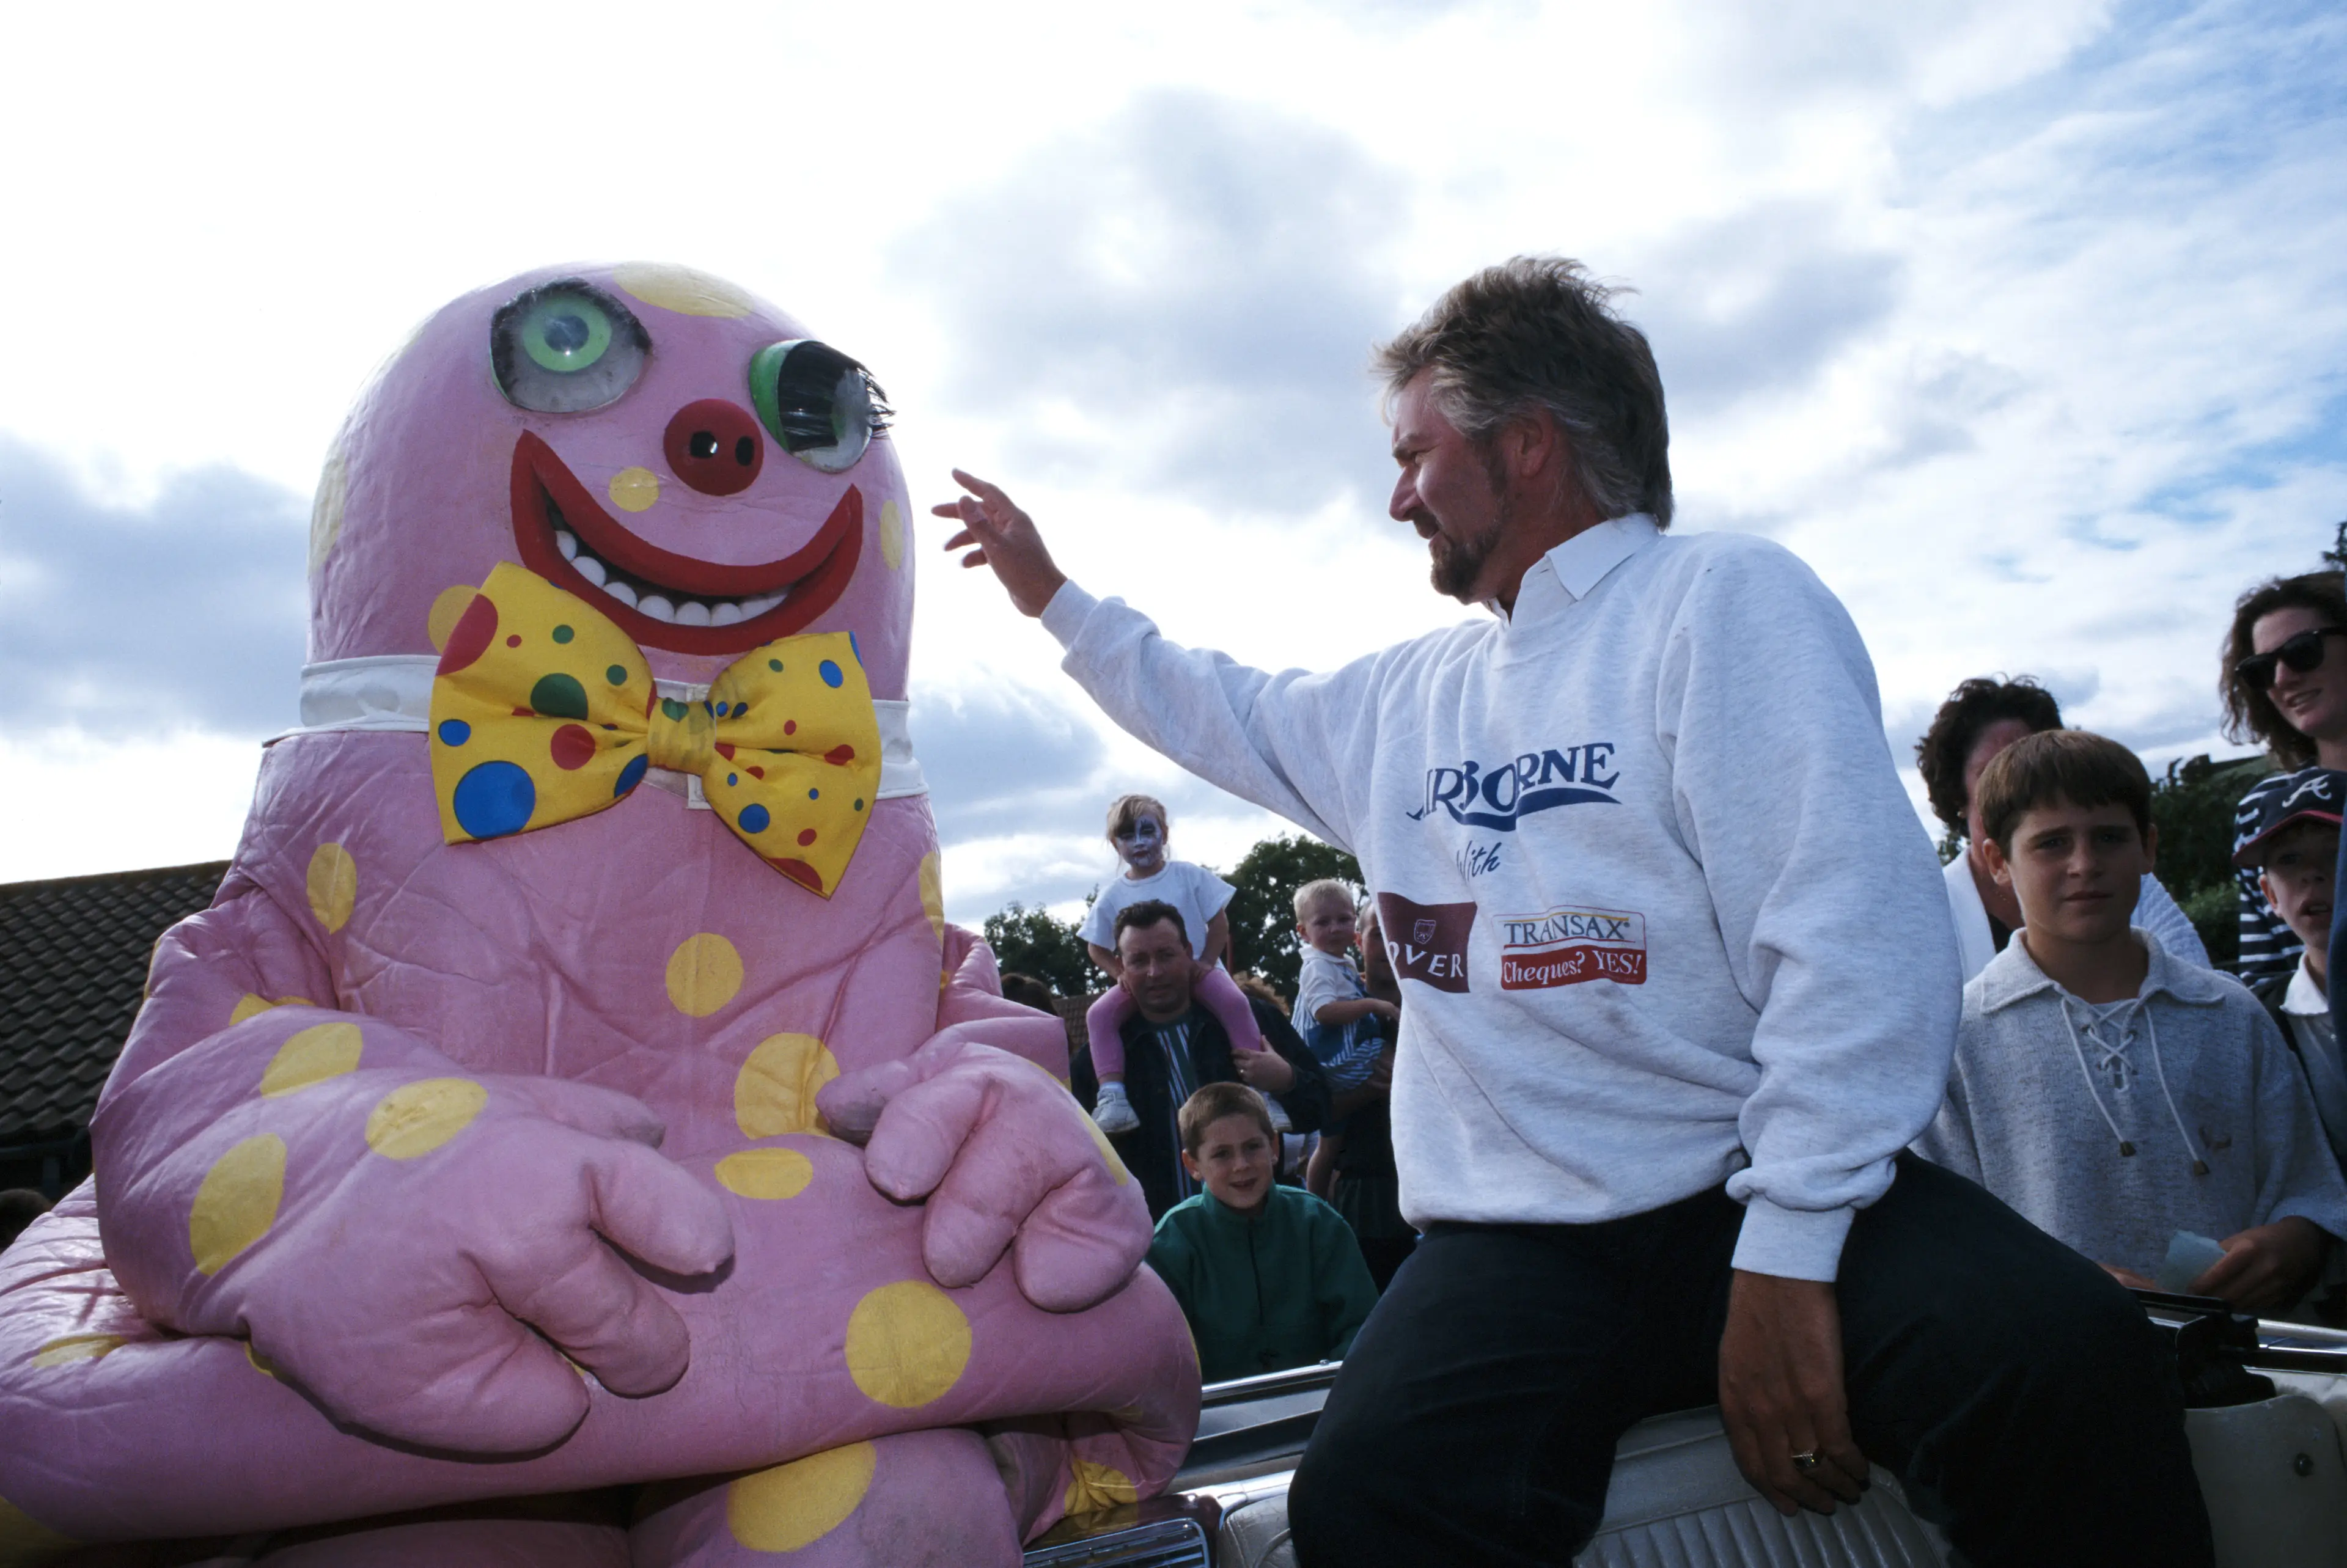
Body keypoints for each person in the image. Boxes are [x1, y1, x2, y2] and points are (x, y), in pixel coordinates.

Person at [939, 255, 2213, 1564]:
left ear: (1529, 445)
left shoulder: (1724, 601)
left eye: (1416, 455)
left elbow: (1856, 944)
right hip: (1514, 1241)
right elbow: (1222, 704)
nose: (1397, 496)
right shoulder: (1403, 699)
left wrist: (1787, 1255)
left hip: (1764, 1184)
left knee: (2073, 1366)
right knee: (1365, 1499)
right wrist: (1053, 598)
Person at [1916, 730, 2347, 1316]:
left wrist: (2291, 1244)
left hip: (2242, 1360)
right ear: (1998, 861)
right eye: (2052, 843)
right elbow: (1939, 1241)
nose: (2085, 864)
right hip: (2053, 1365)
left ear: (2148, 848)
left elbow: (2311, 1188)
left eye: (2110, 838)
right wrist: (2043, 1282)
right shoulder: (1960, 1042)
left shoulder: (2230, 1014)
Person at [1915, 675, 2208, 978]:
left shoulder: (2125, 883)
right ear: (1957, 795)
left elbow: (2194, 988)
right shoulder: (1929, 914)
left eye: (2030, 771)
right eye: (1990, 774)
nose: (2013, 790)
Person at [1070, 900, 1331, 1220]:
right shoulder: (1096, 1063)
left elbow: (1322, 1107)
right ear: (1120, 966)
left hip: (1262, 1226)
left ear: (1188, 952)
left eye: (1166, 955)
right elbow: (1081, 1160)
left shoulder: (1254, 1021)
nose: (1155, 972)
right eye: (1139, 960)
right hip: (1158, 1237)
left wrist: (1286, 1080)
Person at [1145, 1082, 1380, 1384]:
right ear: (1193, 1165)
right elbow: (1161, 1353)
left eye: (1253, 1147)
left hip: (1320, 1400)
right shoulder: (1173, 1241)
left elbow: (1361, 1327)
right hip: (1216, 1408)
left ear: (1274, 1148)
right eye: (1222, 1154)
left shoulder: (1318, 1223)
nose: (1241, 1165)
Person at [1076, 794, 1268, 1135]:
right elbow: (1095, 947)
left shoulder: (1188, 876)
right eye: (1127, 836)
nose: (1139, 843)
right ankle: (1113, 1096)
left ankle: (1262, 1090)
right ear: (1115, 844)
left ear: (1164, 834)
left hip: (1199, 972)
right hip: (1143, 983)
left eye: (1147, 832)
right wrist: (1120, 974)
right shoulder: (1112, 895)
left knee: (1236, 1003)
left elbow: (1219, 923)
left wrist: (1207, 961)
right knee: (1098, 1015)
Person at [2220, 571, 2347, 984]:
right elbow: (2267, 980)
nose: (2282, 678)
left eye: (2302, 651)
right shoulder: (2262, 810)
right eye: (2261, 669)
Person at [2238, 768, 2347, 1171]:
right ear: (2270, 895)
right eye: (2289, 859)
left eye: (2336, 852)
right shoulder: (2258, 1021)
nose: (2311, 874)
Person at [1290, 878, 1397, 1197]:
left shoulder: (1342, 967)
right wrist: (1375, 1005)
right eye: (1379, 934)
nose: (1334, 928)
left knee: (1328, 1145)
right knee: (1326, 1147)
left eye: (1342, 919)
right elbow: (1325, 1011)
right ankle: (1315, 1208)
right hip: (1332, 1058)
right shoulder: (1317, 967)